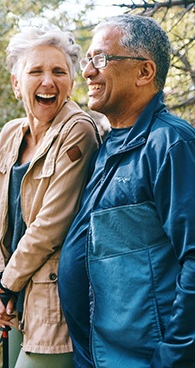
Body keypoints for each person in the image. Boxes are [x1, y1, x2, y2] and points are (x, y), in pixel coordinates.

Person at [58, 14, 195, 368]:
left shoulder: (170, 143)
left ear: (144, 72)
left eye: (101, 59)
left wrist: (173, 357)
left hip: (144, 359)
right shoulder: (107, 145)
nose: (88, 72)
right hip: (96, 354)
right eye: (88, 60)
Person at [0, 26, 100, 368]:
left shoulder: (78, 130)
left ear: (72, 82)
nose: (48, 81)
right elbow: (2, 219)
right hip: (15, 291)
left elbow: (52, 224)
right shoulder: (9, 134)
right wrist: (2, 282)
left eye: (59, 71)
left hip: (54, 300)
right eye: (35, 71)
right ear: (16, 83)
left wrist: (5, 282)